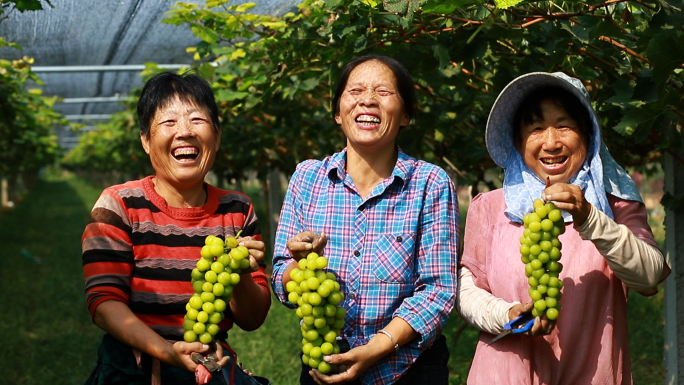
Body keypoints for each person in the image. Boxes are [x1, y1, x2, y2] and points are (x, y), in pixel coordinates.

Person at [457, 72, 671, 384]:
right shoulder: (490, 206)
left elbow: (649, 275)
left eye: (565, 126)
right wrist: (506, 315)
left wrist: (589, 216)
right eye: (536, 128)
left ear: (589, 135)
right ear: (518, 141)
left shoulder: (615, 204)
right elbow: (466, 292)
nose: (551, 142)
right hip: (504, 374)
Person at [270, 54, 459, 385]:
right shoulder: (307, 178)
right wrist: (298, 267)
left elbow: (439, 290)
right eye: (355, 90)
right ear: (337, 113)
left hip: (408, 369)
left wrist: (378, 347)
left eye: (384, 92)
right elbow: (279, 275)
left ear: (406, 115)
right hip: (323, 361)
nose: (367, 100)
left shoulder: (430, 183)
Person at [82, 71, 271, 385]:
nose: (185, 131)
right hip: (134, 364)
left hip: (207, 363)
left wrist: (239, 275)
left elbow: (252, 319)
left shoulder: (238, 210)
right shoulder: (118, 205)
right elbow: (104, 302)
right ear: (146, 140)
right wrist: (165, 351)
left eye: (197, 120)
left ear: (218, 136)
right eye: (168, 122)